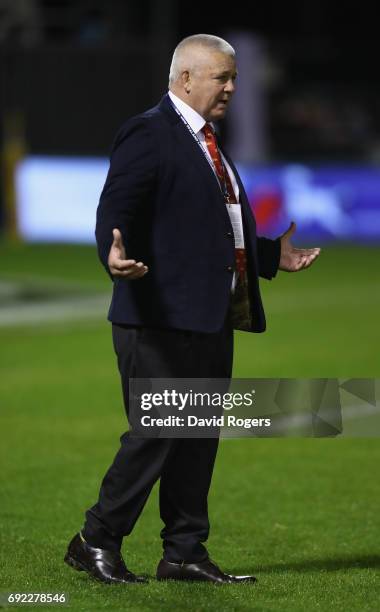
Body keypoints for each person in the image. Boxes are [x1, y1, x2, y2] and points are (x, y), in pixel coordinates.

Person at [64, 34, 320, 585]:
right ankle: (96, 538)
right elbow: (119, 204)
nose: (231, 87)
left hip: (207, 315)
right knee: (158, 430)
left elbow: (209, 227)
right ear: (185, 79)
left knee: (197, 436)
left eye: (233, 78)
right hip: (156, 314)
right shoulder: (150, 130)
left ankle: (183, 552)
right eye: (221, 78)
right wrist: (112, 249)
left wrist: (272, 254)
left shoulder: (206, 140)